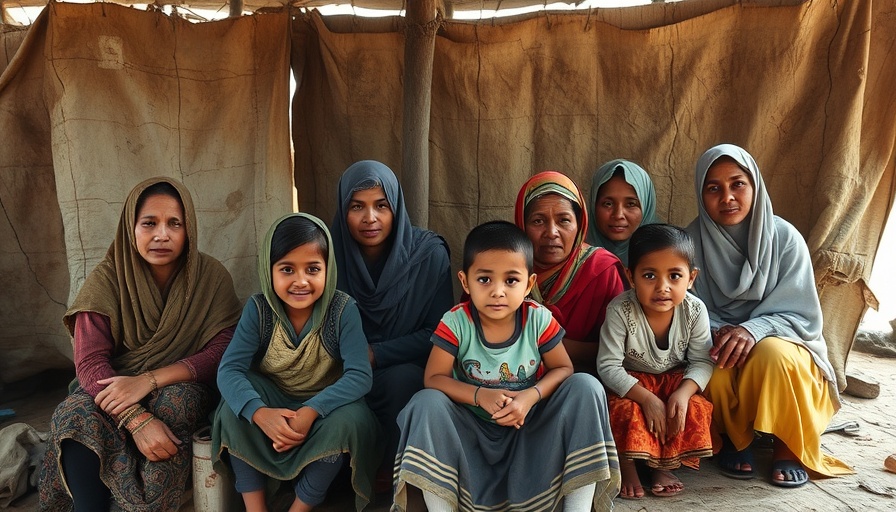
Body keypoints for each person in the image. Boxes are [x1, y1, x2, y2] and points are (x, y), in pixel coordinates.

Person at [39, 177, 242, 511]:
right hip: (113, 386)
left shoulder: (210, 277)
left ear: (188, 228)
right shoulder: (106, 279)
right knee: (74, 412)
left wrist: (148, 381)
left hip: (180, 384)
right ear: (130, 228)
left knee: (177, 403)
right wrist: (135, 418)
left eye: (174, 224)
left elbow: (222, 351)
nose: (162, 234)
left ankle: (151, 505)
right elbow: (90, 364)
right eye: (149, 223)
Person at [393, 221, 620, 512]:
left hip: (530, 428)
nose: (498, 291)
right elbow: (434, 378)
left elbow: (564, 369)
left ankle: (576, 508)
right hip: (472, 433)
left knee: (587, 386)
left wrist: (530, 396)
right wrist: (479, 396)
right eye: (485, 279)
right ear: (465, 282)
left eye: (511, 280)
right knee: (425, 403)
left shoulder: (538, 319)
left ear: (529, 284)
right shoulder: (456, 322)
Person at [686, 143, 853, 488]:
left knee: (771, 353)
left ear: (755, 185)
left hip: (783, 346)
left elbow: (802, 315)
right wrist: (720, 331)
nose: (727, 197)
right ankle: (737, 439)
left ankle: (788, 448)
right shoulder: (690, 242)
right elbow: (687, 306)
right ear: (701, 194)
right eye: (713, 188)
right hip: (720, 341)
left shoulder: (784, 238)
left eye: (738, 184)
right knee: (710, 359)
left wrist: (753, 329)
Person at [211, 213, 380, 511]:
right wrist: (261, 413)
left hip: (324, 408)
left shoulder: (342, 310)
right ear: (268, 269)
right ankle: (256, 507)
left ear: (328, 270)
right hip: (272, 402)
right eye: (287, 269)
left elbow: (359, 376)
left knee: (351, 421)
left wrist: (310, 411)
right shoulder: (258, 309)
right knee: (231, 410)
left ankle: (300, 507)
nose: (300, 281)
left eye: (313, 269)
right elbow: (229, 370)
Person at [331, 160, 454, 484]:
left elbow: (438, 333)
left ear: (396, 207)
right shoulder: (326, 256)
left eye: (381, 206)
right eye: (357, 206)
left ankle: (395, 477)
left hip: (400, 367)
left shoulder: (428, 255)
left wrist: (375, 354)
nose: (370, 218)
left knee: (405, 381)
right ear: (343, 210)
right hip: (341, 368)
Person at [597, 224, 715, 499]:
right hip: (629, 382)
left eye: (675, 276)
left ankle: (663, 466)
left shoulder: (695, 310)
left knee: (694, 408)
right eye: (649, 275)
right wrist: (646, 399)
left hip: (674, 380)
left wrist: (684, 393)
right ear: (631, 276)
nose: (662, 287)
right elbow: (608, 366)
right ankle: (628, 467)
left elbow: (702, 360)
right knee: (626, 411)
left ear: (691, 278)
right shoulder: (620, 310)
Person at [515, 171, 626, 373]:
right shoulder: (505, 267)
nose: (551, 232)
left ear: (580, 223)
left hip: (582, 382)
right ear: (522, 225)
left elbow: (620, 348)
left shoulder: (602, 270)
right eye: (538, 221)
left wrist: (539, 344)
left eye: (564, 220)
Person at [587, 159, 660, 266]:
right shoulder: (575, 259)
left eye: (631, 204)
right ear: (594, 205)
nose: (618, 215)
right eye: (608, 204)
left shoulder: (664, 257)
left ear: (647, 206)